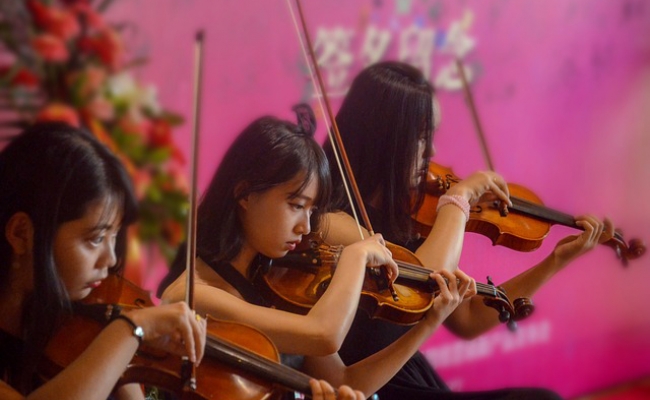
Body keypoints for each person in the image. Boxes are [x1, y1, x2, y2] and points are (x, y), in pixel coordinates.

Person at [321, 61, 614, 400]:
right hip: (372, 386)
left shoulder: (406, 214)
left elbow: (470, 319)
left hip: (406, 371)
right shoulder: (334, 222)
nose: (431, 152)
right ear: (386, 138)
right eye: (421, 137)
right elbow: (417, 281)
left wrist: (555, 261)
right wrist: (458, 199)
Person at [0, 122, 347, 400]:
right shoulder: (113, 332)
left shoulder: (81, 325)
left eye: (114, 237)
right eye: (94, 238)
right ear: (20, 234)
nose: (110, 260)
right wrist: (131, 329)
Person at [157, 104, 476, 398]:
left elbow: (346, 384)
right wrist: (355, 256)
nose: (305, 228)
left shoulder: (277, 283)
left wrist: (428, 324)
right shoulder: (194, 293)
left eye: (311, 211)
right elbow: (324, 334)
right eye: (295, 205)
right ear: (244, 194)